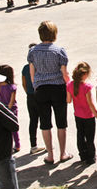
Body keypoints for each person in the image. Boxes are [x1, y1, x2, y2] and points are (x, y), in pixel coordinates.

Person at [27, 21, 72, 164]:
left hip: (41, 88)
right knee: (61, 122)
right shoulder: (59, 51)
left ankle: (50, 155)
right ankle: (63, 153)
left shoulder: (33, 51)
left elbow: (32, 72)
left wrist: (36, 86)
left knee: (45, 123)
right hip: (58, 87)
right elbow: (64, 73)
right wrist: (69, 86)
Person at [67, 62, 97, 164]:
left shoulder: (70, 85)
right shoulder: (87, 87)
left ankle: (83, 155)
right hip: (88, 116)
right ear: (85, 74)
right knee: (90, 138)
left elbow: (68, 100)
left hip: (78, 115)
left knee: (80, 135)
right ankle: (91, 157)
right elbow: (91, 104)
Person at [21, 45, 45, 155]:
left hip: (30, 96)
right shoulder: (42, 66)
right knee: (45, 120)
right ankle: (48, 145)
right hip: (40, 95)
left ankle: (33, 145)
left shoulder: (25, 68)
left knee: (33, 121)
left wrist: (29, 93)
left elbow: (24, 84)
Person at [0, 65, 21, 153]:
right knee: (14, 129)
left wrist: (2, 109)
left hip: (1, 110)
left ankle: (7, 147)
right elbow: (12, 100)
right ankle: (17, 145)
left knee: (4, 131)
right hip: (12, 110)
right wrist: (8, 109)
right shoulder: (12, 87)